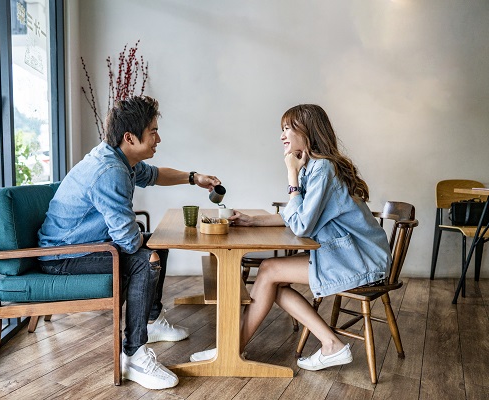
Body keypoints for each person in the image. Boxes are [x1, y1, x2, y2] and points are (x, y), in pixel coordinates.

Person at [190, 104, 391, 372]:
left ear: (307, 130)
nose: (282, 135)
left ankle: (230, 349)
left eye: (287, 128)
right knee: (273, 278)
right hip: (350, 253)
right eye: (282, 129)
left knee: (269, 270)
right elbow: (300, 216)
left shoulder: (321, 169)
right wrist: (254, 221)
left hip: (360, 260)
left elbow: (302, 227)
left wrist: (291, 175)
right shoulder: (317, 166)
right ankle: (331, 344)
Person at [38, 96, 221, 389]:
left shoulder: (121, 159)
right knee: (146, 260)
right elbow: (127, 239)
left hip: (86, 244)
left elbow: (157, 174)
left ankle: (152, 319)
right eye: (152, 131)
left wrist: (193, 177)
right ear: (129, 137)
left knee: (158, 242)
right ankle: (134, 354)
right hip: (64, 256)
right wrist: (148, 242)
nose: (158, 138)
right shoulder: (110, 172)